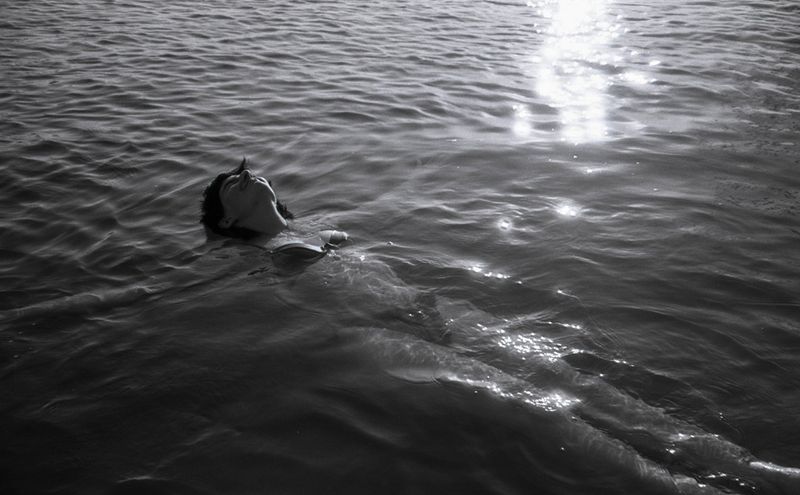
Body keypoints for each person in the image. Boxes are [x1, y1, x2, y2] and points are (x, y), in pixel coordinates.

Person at [200, 158, 294, 239]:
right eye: (231, 184)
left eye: (254, 175)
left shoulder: (304, 227)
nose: (247, 173)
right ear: (227, 220)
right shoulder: (259, 257)